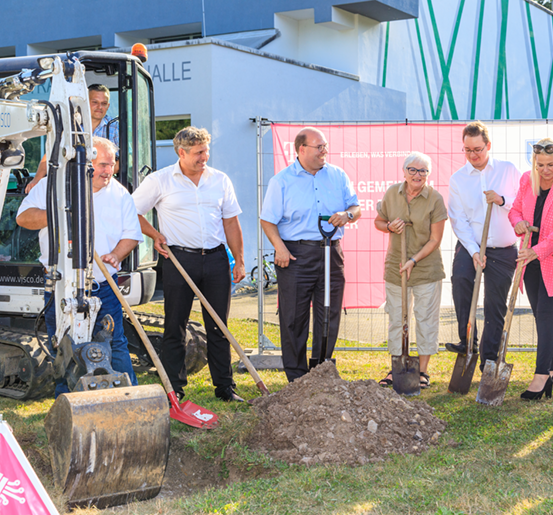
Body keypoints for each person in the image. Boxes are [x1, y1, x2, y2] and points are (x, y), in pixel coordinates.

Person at [16, 137, 141, 397]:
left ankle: (129, 397)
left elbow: (131, 234)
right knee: (63, 344)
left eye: (112, 164)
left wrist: (116, 255)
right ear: (85, 163)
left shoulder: (119, 193)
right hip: (59, 283)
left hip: (103, 283)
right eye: (104, 164)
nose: (109, 170)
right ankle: (69, 400)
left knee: (115, 341)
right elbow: (23, 217)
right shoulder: (54, 185)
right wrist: (60, 214)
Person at [133, 126, 246, 402]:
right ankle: (175, 388)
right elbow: (131, 211)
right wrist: (154, 234)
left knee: (218, 326)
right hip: (178, 259)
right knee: (175, 326)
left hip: (217, 259)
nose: (204, 157)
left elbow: (231, 221)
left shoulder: (220, 180)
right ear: (181, 153)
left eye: (206, 151)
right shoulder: (160, 181)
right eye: (198, 153)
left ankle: (225, 388)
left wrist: (239, 260)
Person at [260, 127, 361, 382]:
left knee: (329, 312)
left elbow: (355, 207)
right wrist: (280, 248)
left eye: (325, 146)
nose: (324, 151)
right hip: (295, 255)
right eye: (319, 147)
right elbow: (267, 220)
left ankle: (321, 370)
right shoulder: (281, 181)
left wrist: (347, 215)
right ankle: (296, 377)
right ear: (301, 149)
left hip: (331, 253)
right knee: (294, 316)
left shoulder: (337, 175)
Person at [508, 139, 553, 400]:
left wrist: (536, 251)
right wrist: (518, 223)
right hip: (530, 256)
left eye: (551, 164)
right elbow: (515, 209)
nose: (546, 169)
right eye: (540, 165)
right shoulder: (529, 179)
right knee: (540, 315)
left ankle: (541, 376)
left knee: (548, 314)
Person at [446, 121, 521, 370]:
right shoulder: (458, 179)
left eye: (478, 149)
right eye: (468, 150)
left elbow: (523, 204)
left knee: (494, 304)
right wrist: (474, 251)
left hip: (503, 248)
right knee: (461, 281)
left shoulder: (508, 170)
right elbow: (458, 219)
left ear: (488, 146)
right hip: (472, 245)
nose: (473, 155)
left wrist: (502, 200)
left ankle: (489, 358)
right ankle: (468, 342)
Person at [374, 152, 447, 389]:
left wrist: (414, 260)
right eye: (413, 170)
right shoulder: (392, 193)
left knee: (425, 319)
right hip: (396, 267)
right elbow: (378, 221)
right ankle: (398, 367)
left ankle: (422, 372)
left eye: (423, 171)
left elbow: (435, 239)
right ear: (404, 171)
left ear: (429, 174)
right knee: (397, 319)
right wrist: (389, 226)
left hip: (425, 267)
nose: (418, 175)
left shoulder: (434, 199)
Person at [26, 84, 120, 193]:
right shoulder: (71, 125)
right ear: (85, 104)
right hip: (73, 184)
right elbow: (52, 152)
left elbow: (124, 160)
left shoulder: (115, 127)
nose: (99, 107)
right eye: (95, 102)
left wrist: (102, 175)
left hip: (103, 186)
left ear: (108, 106)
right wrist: (37, 179)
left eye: (103, 104)